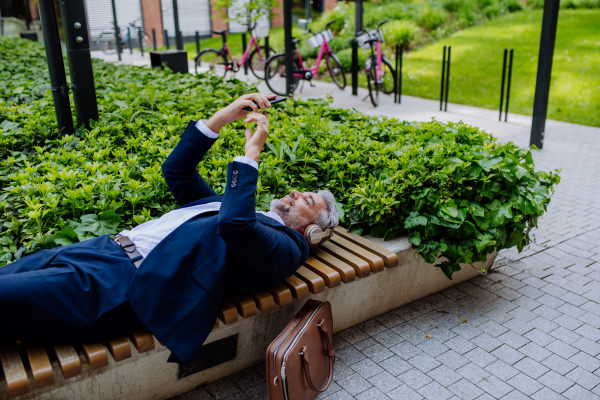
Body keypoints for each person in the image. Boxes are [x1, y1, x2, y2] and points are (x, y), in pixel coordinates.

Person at [0, 93, 339, 365]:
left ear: (312, 230)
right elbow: (178, 171)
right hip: (97, 251)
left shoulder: (288, 250)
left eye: (306, 199)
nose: (294, 193)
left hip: (119, 284)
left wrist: (252, 153)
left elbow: (236, 225)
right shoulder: (227, 206)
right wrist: (222, 117)